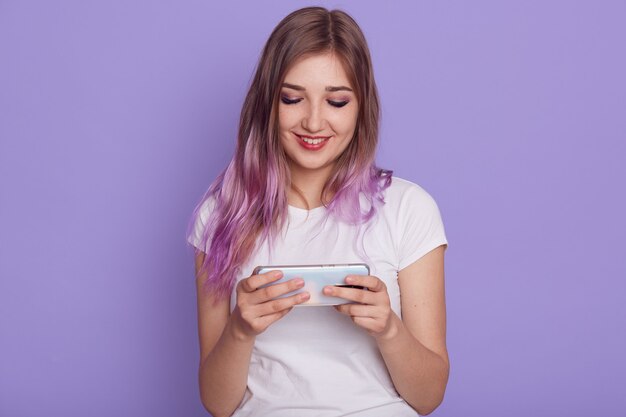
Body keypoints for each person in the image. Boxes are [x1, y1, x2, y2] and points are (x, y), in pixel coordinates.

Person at [186, 6, 449, 417]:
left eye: (337, 101)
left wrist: (388, 327)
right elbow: (217, 404)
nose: (313, 122)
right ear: (267, 105)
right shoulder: (221, 216)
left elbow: (429, 396)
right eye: (292, 98)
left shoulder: (408, 208)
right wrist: (240, 330)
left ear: (361, 107)